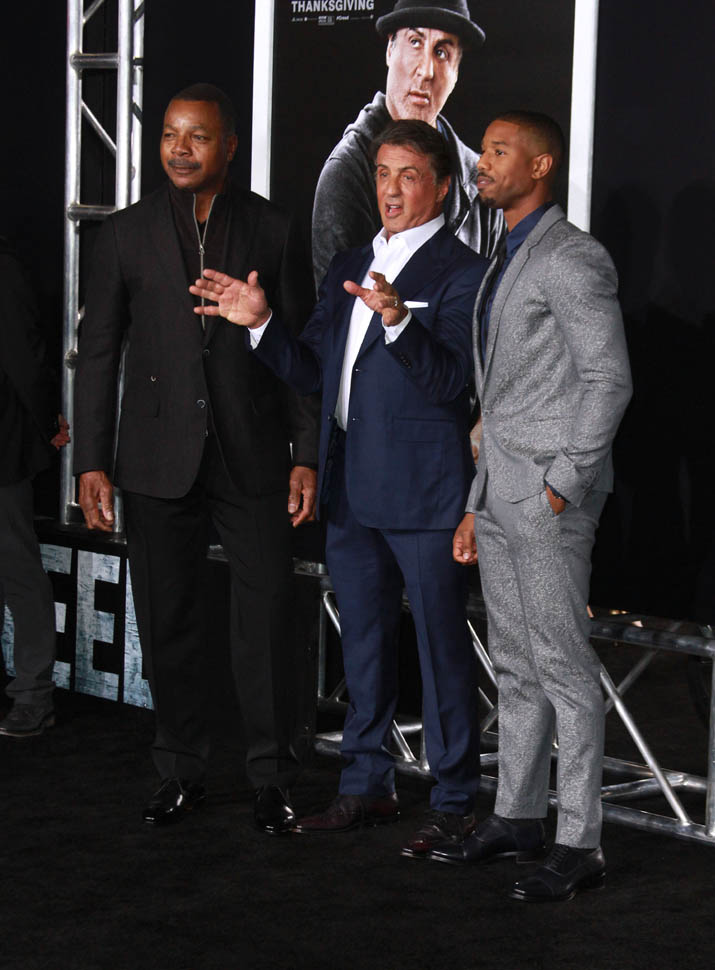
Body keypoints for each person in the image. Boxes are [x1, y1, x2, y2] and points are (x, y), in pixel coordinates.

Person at [192, 120, 488, 857]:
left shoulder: (463, 271)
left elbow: (453, 382)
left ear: (442, 186)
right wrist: (261, 324)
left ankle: (454, 800)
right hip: (350, 487)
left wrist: (399, 322)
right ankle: (366, 786)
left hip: (425, 492)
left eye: (408, 175)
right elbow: (312, 370)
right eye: (382, 173)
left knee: (440, 650)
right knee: (362, 645)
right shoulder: (351, 262)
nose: (390, 189)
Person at [73, 84, 319, 833]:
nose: (180, 149)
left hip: (253, 455)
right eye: (170, 134)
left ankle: (271, 777)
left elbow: (300, 351)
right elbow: (98, 353)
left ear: (230, 146)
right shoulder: (123, 234)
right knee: (167, 617)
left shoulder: (274, 228)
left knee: (266, 619)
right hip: (155, 458)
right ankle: (179, 768)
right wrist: (91, 461)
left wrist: (306, 454)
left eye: (198, 136)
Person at [429, 112, 633, 901]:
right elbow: (500, 400)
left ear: (541, 165)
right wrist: (477, 501)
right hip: (501, 491)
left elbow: (607, 378)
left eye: (498, 151)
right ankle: (516, 817)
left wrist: (562, 484)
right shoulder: (504, 256)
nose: (481, 163)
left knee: (563, 668)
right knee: (513, 663)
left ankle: (580, 842)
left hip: (549, 498)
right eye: (482, 150)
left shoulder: (571, 257)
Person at [311, 0, 503, 289]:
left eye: (441, 52)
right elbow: (342, 309)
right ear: (390, 49)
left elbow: (494, 305)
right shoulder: (348, 171)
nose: (426, 71)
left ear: (456, 71)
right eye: (415, 42)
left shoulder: (480, 181)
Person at [0, 240, 69, 738]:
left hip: (2, 451)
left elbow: (26, 359)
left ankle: (33, 694)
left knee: (17, 570)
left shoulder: (4, 269)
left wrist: (47, 424)